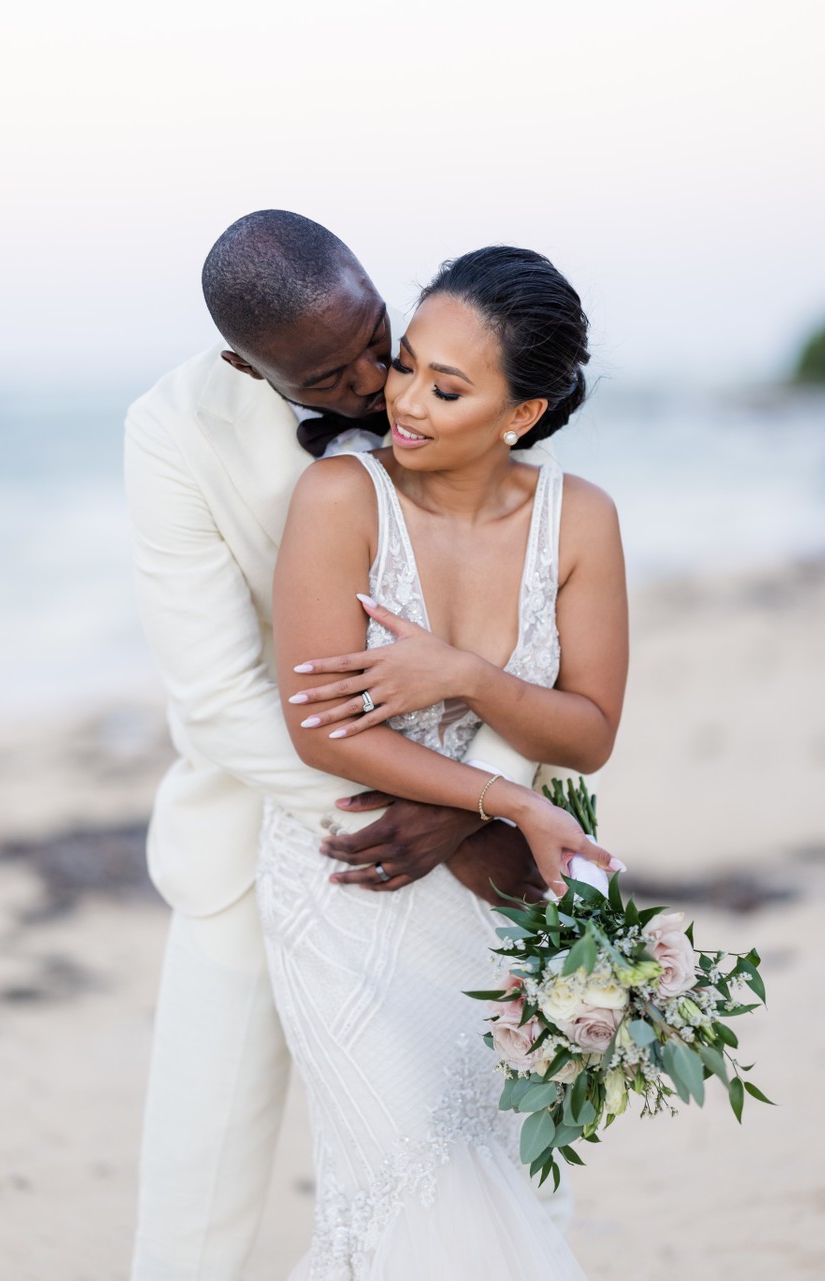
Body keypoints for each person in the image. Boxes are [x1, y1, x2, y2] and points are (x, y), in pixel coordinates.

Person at [124, 212, 571, 1281]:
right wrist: (429, 813)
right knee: (196, 1197)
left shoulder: (452, 365)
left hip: (460, 851)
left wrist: (481, 803)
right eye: (332, 371)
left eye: (377, 335)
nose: (377, 380)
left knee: (463, 1161)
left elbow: (530, 629)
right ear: (247, 362)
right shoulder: (171, 429)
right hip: (254, 848)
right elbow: (223, 697)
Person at [262, 244, 628, 1278]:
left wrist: (461, 674)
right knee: (399, 1176)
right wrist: (506, 798)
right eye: (406, 362)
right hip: (350, 883)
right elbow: (318, 729)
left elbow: (589, 727)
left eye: (446, 386)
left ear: (522, 414)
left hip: (501, 897)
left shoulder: (579, 520)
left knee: (489, 1168)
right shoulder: (340, 496)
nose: (402, 400)